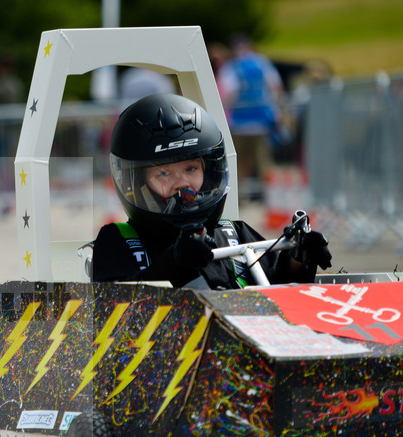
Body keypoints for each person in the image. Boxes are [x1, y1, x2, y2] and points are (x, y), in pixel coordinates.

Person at [88, 93, 330, 289]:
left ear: (209, 170)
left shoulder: (235, 233)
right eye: (164, 173)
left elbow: (280, 291)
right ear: (136, 183)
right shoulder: (118, 241)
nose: (182, 183)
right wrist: (173, 264)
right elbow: (115, 314)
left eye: (191, 168)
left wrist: (299, 257)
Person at [217, 35, 286, 202]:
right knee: (263, 162)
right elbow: (276, 87)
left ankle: (238, 200)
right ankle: (271, 199)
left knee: (237, 163)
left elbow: (229, 93)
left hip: (239, 122)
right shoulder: (262, 63)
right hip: (261, 120)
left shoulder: (232, 66)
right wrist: (276, 110)